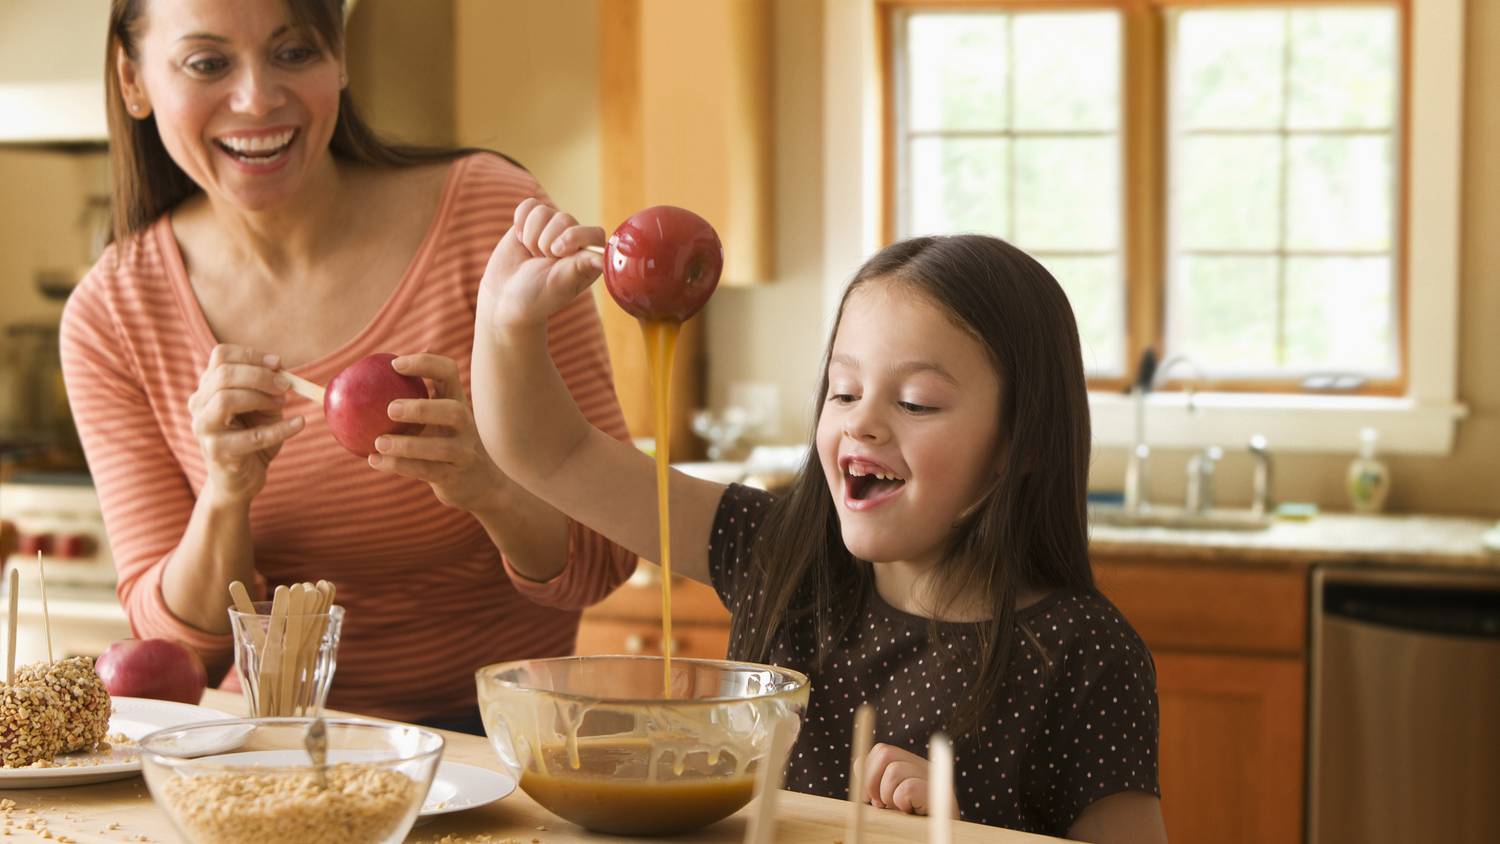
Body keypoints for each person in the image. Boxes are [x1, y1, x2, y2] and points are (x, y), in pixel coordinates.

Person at [469, 199, 1169, 840]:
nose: (862, 422)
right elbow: (552, 455)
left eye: (918, 402)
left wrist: (962, 831)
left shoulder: (1086, 656)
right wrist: (509, 322)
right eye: (843, 390)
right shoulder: (778, 555)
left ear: (1020, 447)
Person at [58, 0, 636, 731]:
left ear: (340, 59)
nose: (258, 98)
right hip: (273, 752)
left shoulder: (490, 222)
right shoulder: (112, 315)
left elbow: (603, 558)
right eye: (208, 63)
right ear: (132, 80)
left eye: (293, 52)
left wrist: (484, 485)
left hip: (509, 751)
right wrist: (226, 494)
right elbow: (178, 655)